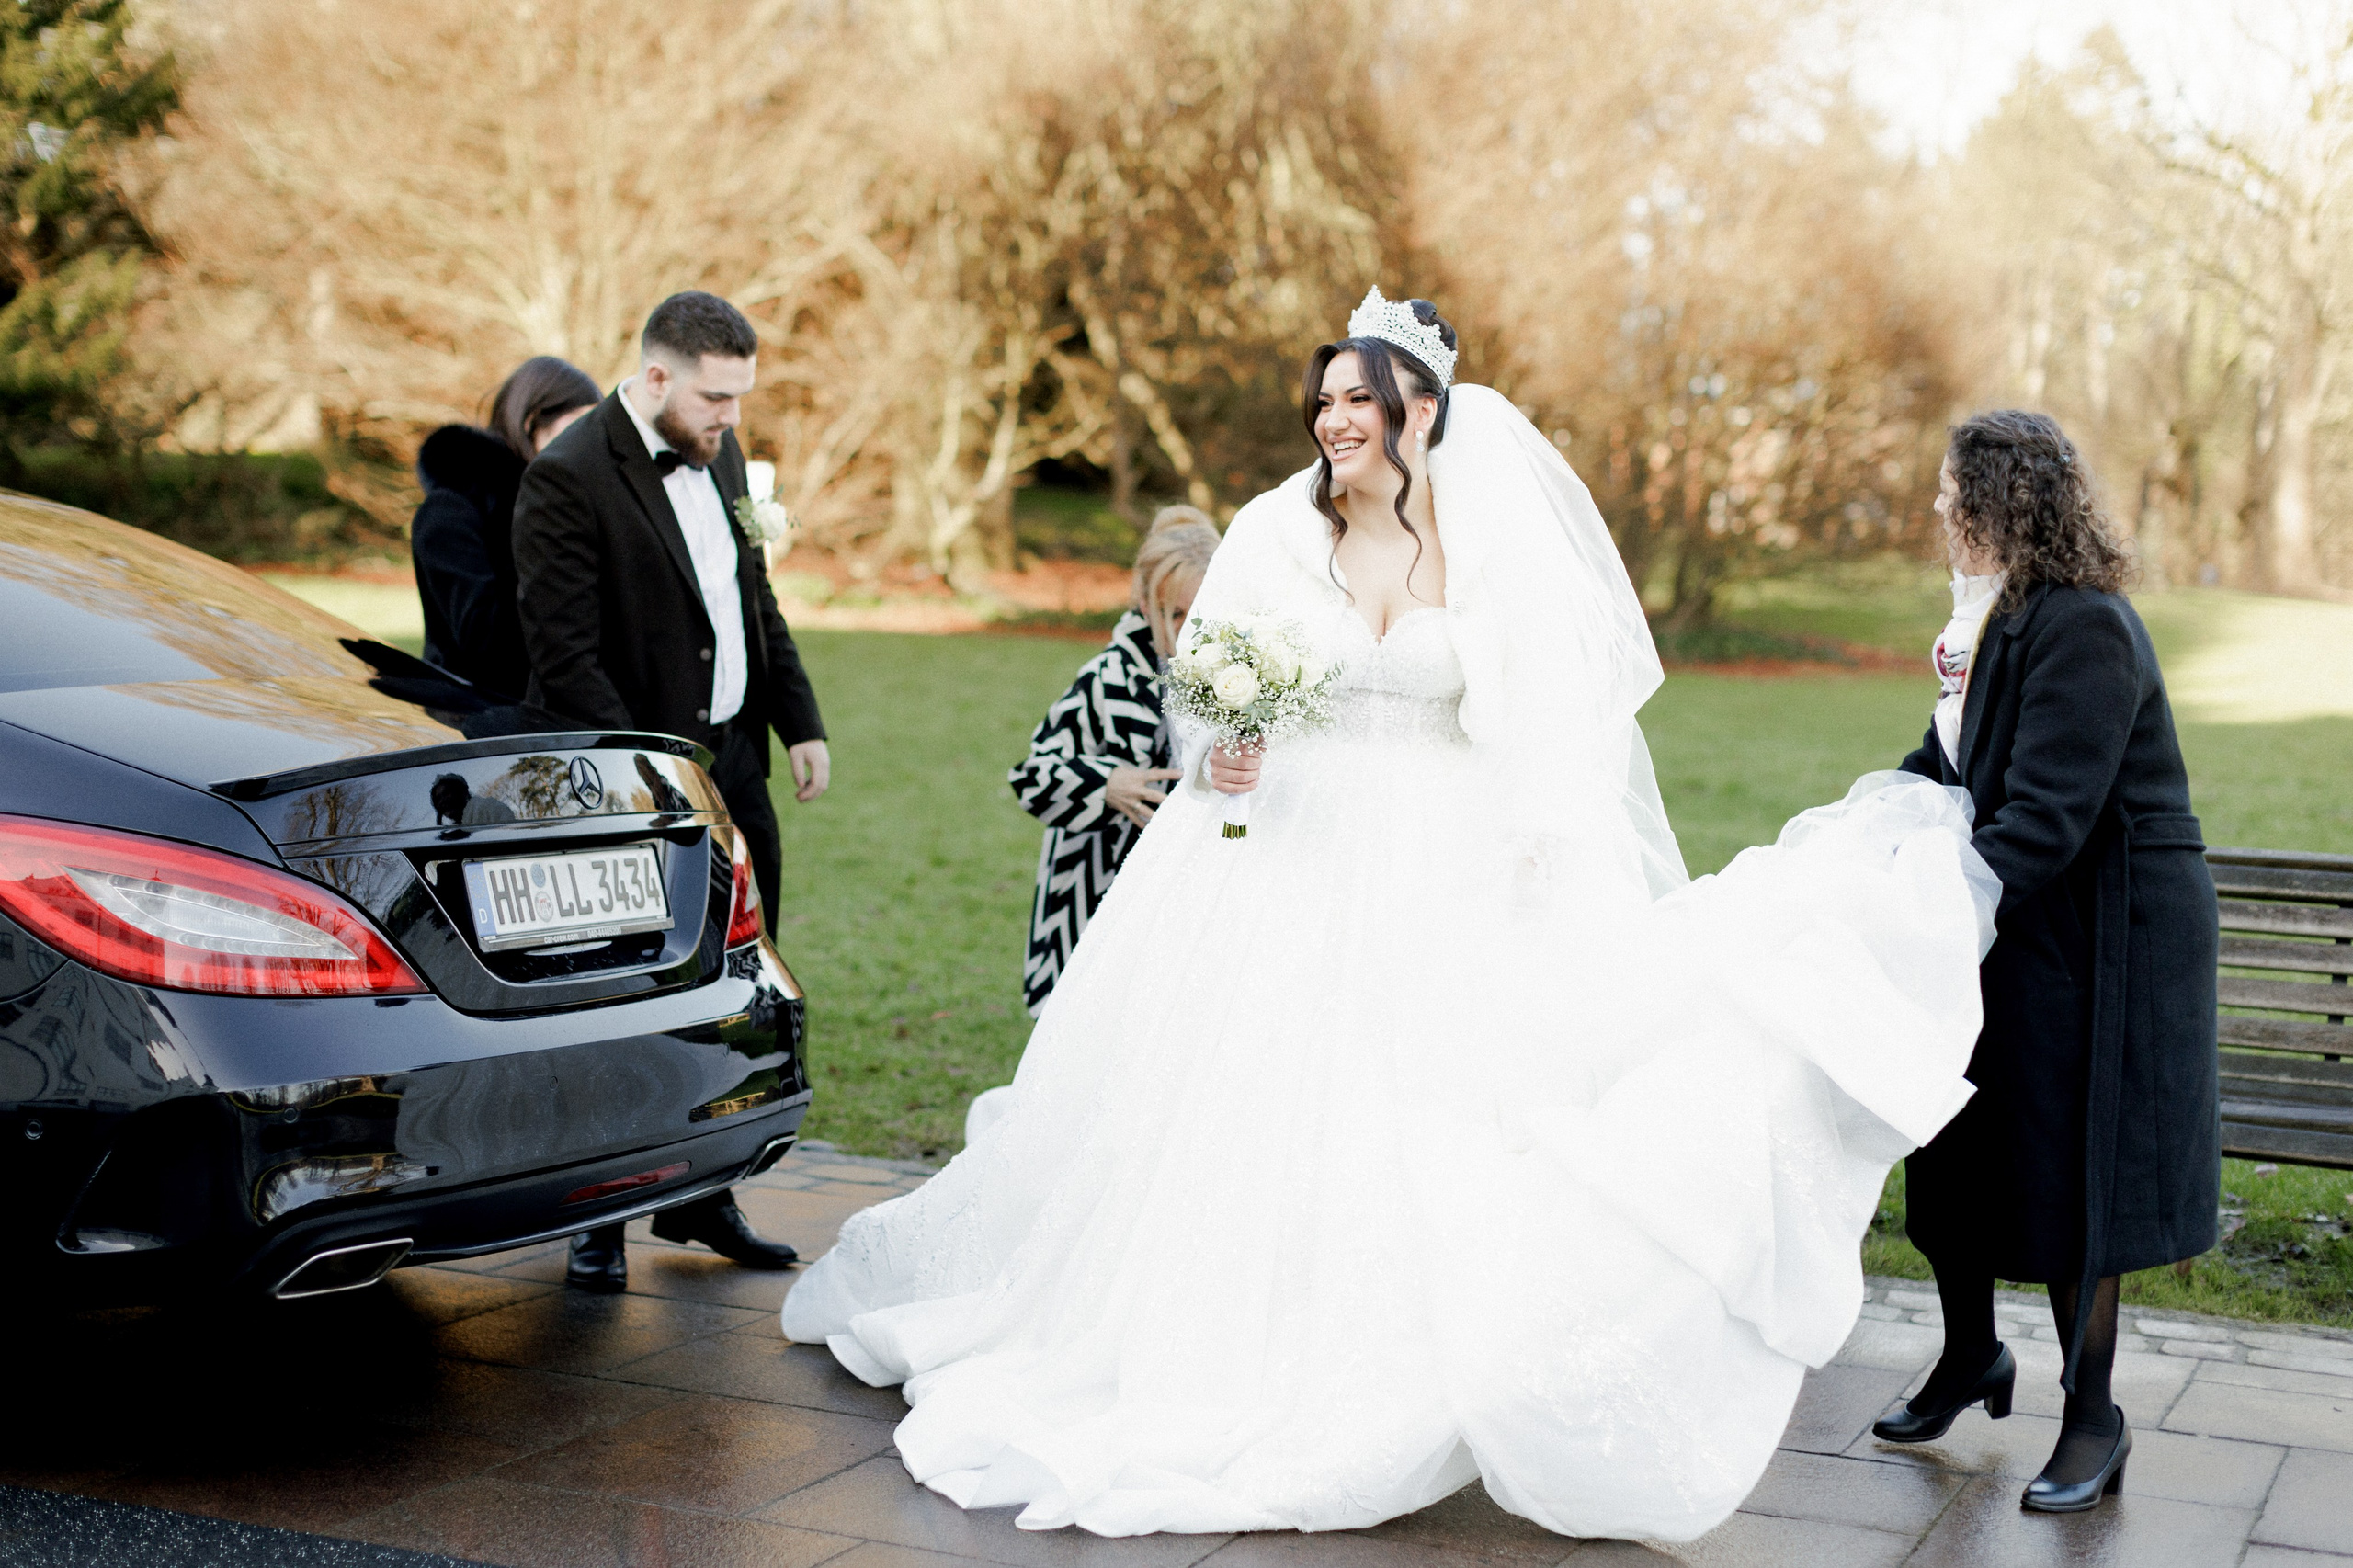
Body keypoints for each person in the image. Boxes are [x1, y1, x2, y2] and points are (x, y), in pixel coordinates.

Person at [779, 288, 1999, 1542]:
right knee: (1254, 1102)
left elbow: (1549, 721)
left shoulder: (1484, 543)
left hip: (1444, 865)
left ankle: (1410, 1361)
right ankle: (1221, 1344)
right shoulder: (1267, 534)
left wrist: (1539, 847)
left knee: (1434, 1117)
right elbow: (1206, 704)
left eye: (1360, 398)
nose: (1334, 419)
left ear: (1421, 411)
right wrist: (1220, 752)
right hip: (1281, 858)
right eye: (1324, 400)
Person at [1871, 411, 2220, 1513]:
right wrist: (1867, 834)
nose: (1936, 510)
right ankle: (1971, 1354)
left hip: (2113, 932)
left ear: (2001, 502)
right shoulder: (1998, 618)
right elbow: (1949, 762)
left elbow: (2047, 816)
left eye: (1949, 492)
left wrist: (1929, 904)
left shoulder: (2086, 628)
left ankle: (2092, 1416)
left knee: (2084, 1166)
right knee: (1952, 1128)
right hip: (2024, 912)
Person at [512, 290, 827, 1291]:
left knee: (736, 986)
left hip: (738, 764)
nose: (730, 415)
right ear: (654, 378)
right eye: (713, 396)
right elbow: (565, 661)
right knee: (623, 997)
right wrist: (655, 777)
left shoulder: (721, 454)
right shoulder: (565, 480)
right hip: (635, 787)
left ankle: (702, 1193)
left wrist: (799, 719)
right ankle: (595, 1218)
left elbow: (751, 599)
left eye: (739, 396)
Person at [1008, 506, 1222, 1016]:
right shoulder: (1109, 678)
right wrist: (1106, 783)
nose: (1189, 627)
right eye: (1174, 614)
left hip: (1198, 877)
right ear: (1144, 605)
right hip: (1104, 891)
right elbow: (1032, 777)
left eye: (1202, 610)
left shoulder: (1238, 669)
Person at [410, 357, 600, 699]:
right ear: (531, 424)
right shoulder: (452, 510)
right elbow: (486, 645)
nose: (588, 448)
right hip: (477, 730)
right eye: (577, 430)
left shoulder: (573, 506)